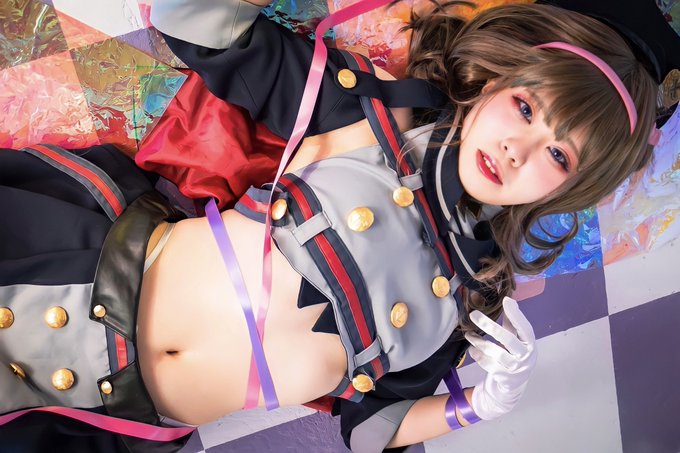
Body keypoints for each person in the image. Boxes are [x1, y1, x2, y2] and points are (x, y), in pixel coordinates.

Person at [1, 0, 677, 452]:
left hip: (101, 425)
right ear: (497, 80)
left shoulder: (470, 300)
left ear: (571, 188)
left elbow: (370, 428)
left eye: (559, 155)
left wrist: (480, 403)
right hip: (61, 273)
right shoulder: (366, 114)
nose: (518, 151)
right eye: (526, 108)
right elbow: (198, 25)